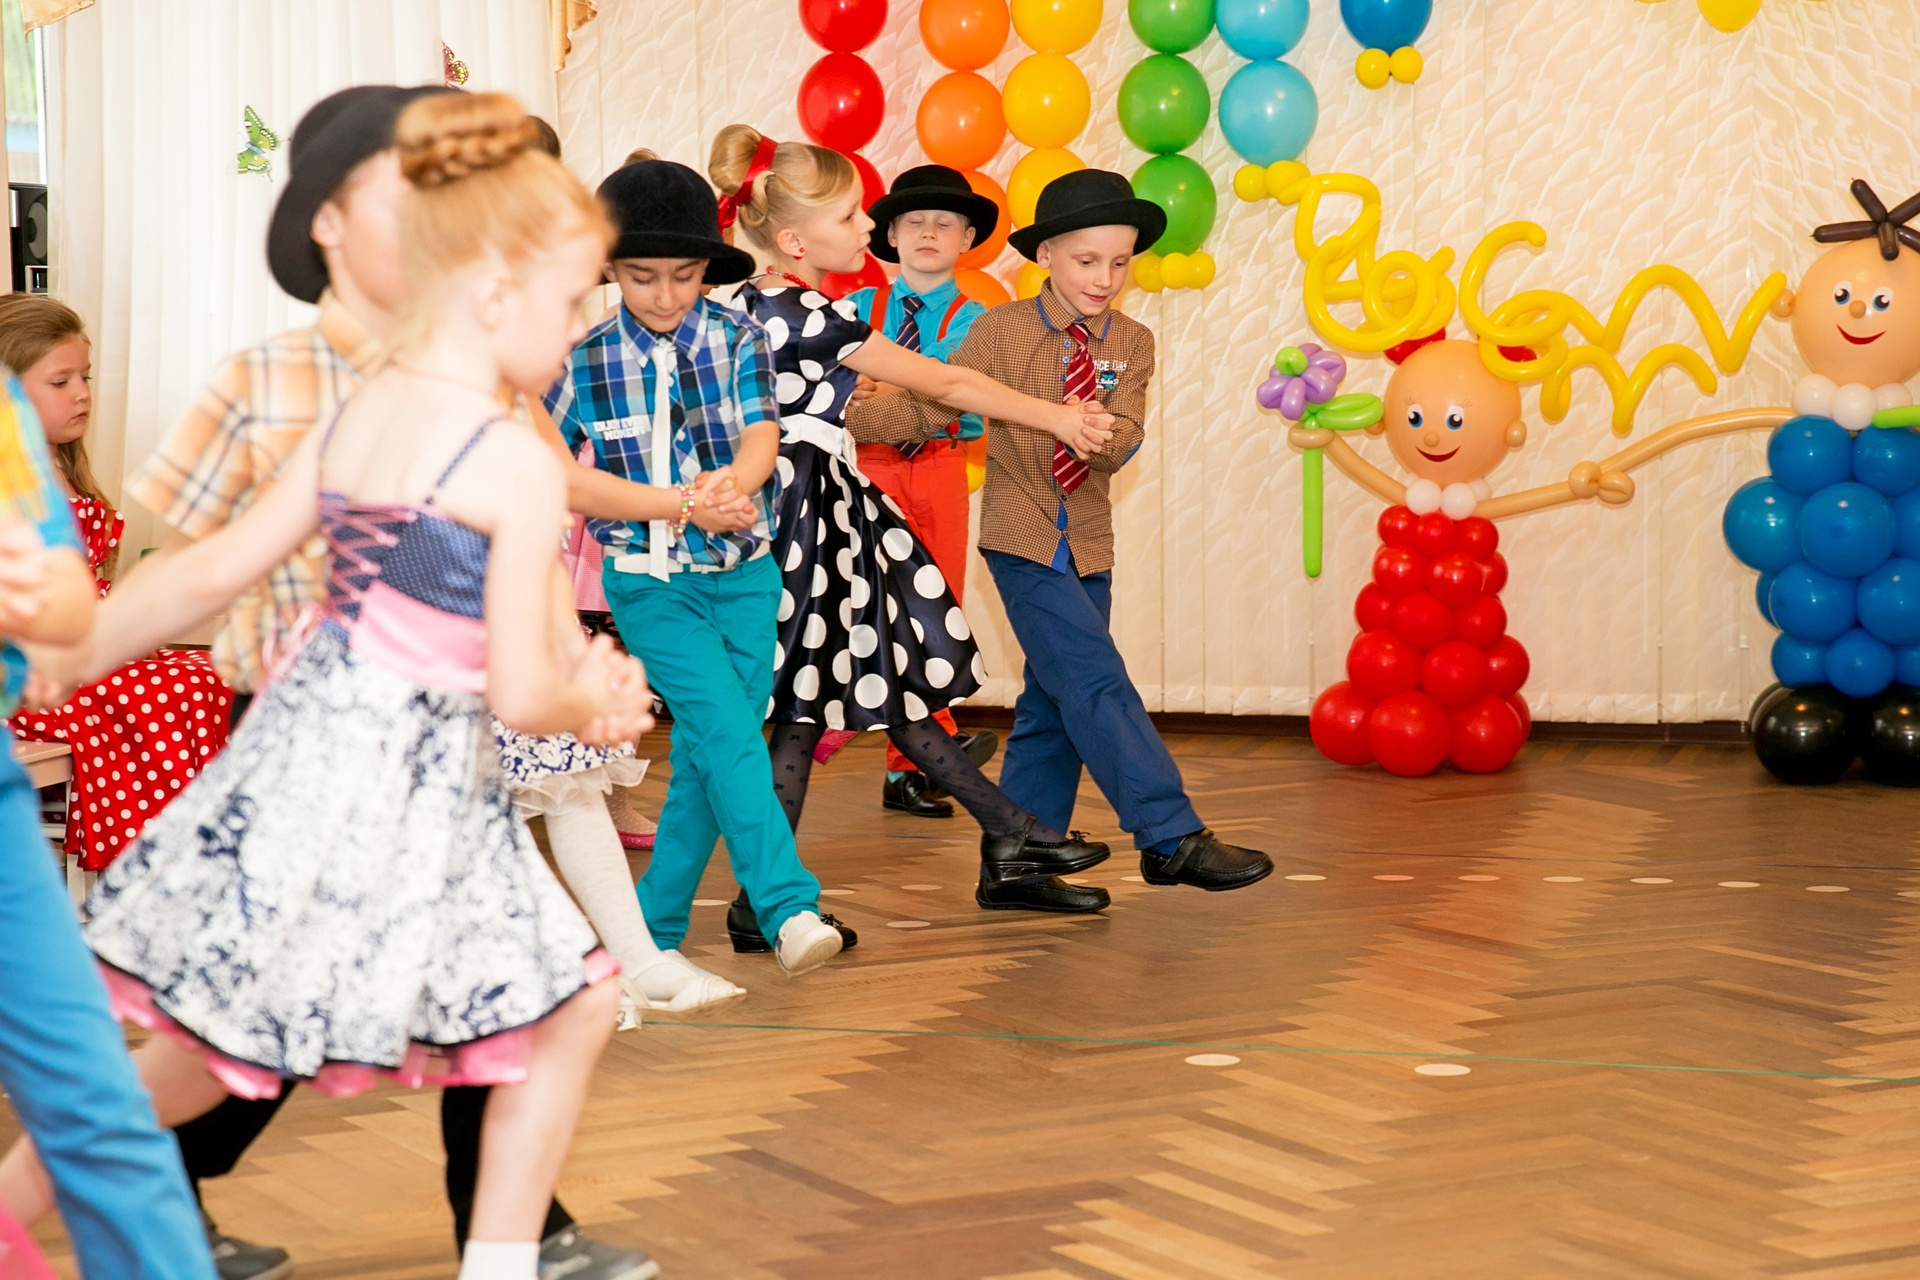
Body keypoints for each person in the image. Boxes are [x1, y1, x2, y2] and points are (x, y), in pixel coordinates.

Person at [0, 91, 650, 1280]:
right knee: (565, 1008)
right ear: (492, 292)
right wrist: (593, 701)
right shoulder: (509, 456)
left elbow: (207, 573)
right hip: (390, 786)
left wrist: (68, 649)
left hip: (309, 770)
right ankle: (503, 1261)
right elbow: (519, 690)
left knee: (219, 1049)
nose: (577, 333)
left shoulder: (368, 411)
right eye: (570, 303)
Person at [705, 126, 1118, 924]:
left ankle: (1002, 831)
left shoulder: (747, 305)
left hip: (791, 513)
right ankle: (1001, 832)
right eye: (850, 215)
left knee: (836, 695)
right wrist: (1055, 417)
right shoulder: (808, 314)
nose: (868, 226)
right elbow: (949, 384)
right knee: (829, 697)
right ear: (794, 240)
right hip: (815, 517)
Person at [836, 168, 1276, 896]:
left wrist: (1102, 436)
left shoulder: (1132, 340)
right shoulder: (998, 330)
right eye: (1086, 260)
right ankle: (1170, 836)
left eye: (1120, 262)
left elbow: (1126, 436)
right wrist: (836, 412)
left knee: (1051, 700)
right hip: (1022, 538)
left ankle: (1016, 863)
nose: (1104, 278)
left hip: (1090, 540)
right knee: (1095, 679)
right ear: (1045, 255)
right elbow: (928, 412)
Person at [544, 156, 849, 976]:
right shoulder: (579, 360)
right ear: (610, 270)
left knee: (712, 754)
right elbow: (554, 470)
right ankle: (788, 907)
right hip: (649, 584)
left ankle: (651, 931)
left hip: (746, 577)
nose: (665, 295)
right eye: (642, 277)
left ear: (708, 269)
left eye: (683, 276)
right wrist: (682, 505)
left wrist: (734, 489)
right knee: (725, 733)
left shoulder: (740, 337)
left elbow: (761, 436)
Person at [0, 373, 215, 1280]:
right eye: (65, 378)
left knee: (95, 1094)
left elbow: (63, 605)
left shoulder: (6, 417)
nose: (82, 392)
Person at [0, 296, 234, 874]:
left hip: (94, 650)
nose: (82, 393)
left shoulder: (65, 471)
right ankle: (148, 862)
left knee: (212, 673)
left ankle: (203, 851)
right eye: (61, 382)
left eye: (85, 377)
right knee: (169, 690)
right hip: (37, 671)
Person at [842, 165, 999, 819]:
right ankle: (926, 748)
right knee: (872, 609)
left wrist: (882, 386)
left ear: (967, 238)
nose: (929, 232)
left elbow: (958, 405)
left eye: (944, 223)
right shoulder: (855, 309)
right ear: (891, 235)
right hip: (867, 470)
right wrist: (928, 387)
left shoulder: (979, 321)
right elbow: (844, 401)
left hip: (939, 469)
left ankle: (909, 769)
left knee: (937, 611)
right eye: (915, 222)